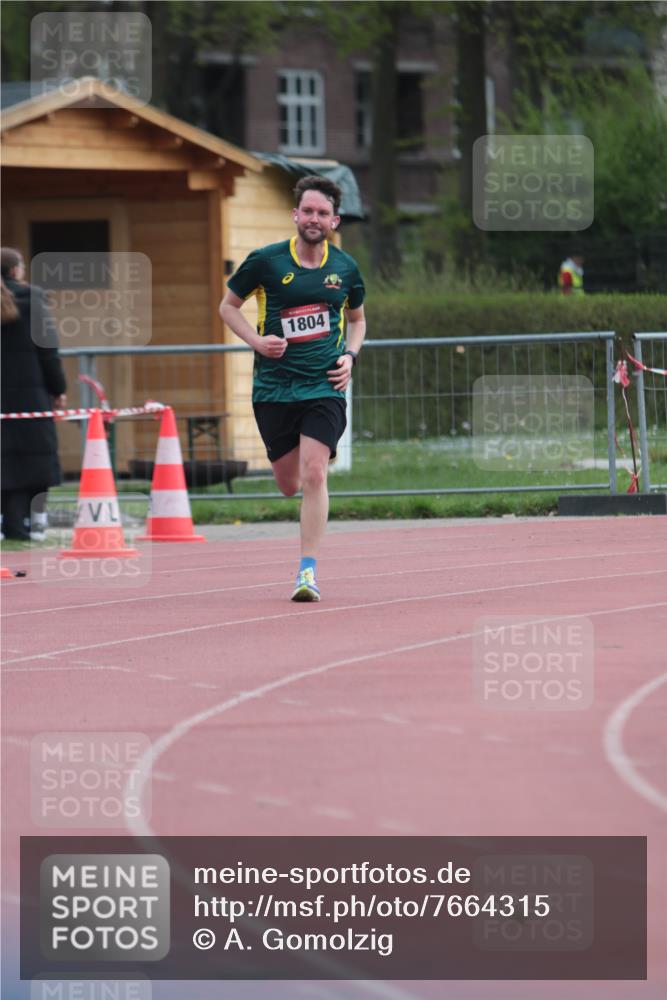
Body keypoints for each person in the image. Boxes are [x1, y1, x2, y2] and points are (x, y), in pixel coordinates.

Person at [220, 176, 366, 602]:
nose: (314, 219)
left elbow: (357, 320)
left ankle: (307, 571)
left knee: (315, 471)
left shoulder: (345, 268)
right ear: (295, 215)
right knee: (288, 483)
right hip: (274, 387)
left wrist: (350, 356)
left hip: (324, 384)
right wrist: (257, 341)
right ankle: (300, 491)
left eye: (323, 213)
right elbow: (228, 307)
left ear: (334, 220)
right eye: (308, 211)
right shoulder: (266, 262)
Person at [1, 247, 67, 541]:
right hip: (30, 395)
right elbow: (48, 351)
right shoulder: (34, 300)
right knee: (33, 458)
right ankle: (29, 522)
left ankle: (6, 523)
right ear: (15, 270)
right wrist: (58, 389)